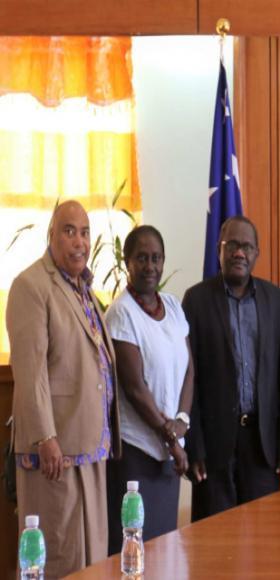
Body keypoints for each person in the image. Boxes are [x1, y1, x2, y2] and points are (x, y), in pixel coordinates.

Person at [6, 200, 120, 577]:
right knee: (59, 558)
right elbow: (30, 370)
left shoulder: (84, 288)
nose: (79, 242)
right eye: (69, 231)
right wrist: (45, 437)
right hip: (54, 454)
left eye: (85, 232)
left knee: (92, 561)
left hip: (88, 449)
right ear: (51, 235)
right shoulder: (31, 286)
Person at [182, 216, 280, 520]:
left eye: (247, 246)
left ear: (256, 254)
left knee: (262, 535)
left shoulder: (274, 298)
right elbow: (188, 380)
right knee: (214, 539)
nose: (239, 253)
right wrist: (194, 446)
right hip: (215, 444)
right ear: (219, 250)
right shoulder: (196, 300)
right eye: (232, 245)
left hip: (262, 443)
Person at [104, 225, 193, 553]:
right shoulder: (121, 313)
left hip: (170, 452)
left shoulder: (171, 305)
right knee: (136, 546)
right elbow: (134, 388)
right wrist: (171, 437)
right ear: (127, 262)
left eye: (156, 258)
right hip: (138, 452)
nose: (150, 265)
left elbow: (189, 370)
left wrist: (181, 421)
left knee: (165, 546)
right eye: (141, 258)